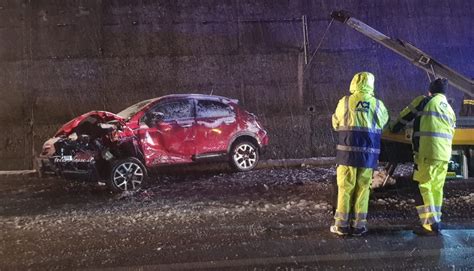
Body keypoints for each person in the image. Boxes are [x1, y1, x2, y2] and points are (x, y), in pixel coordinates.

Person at [390, 78, 456, 236]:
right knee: (436, 189)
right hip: (444, 155)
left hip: (427, 153)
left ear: (430, 91)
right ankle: (436, 219)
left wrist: (393, 128)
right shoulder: (449, 109)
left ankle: (430, 224)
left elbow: (404, 117)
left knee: (423, 186)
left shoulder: (425, 101)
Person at [331, 72, 389, 236]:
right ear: (371, 84)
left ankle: (341, 226)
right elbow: (384, 122)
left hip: (347, 155)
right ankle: (358, 226)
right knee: (363, 189)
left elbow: (335, 123)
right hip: (368, 157)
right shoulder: (377, 104)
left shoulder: (345, 102)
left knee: (345, 188)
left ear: (354, 83)